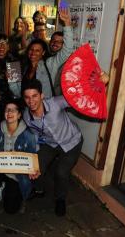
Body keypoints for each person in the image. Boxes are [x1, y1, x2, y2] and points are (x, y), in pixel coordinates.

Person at [22, 79, 83, 216]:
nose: (31, 101)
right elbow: (36, 137)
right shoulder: (26, 116)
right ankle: (39, 190)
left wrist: (100, 82)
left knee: (61, 173)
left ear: (42, 95)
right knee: (36, 167)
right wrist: (35, 158)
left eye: (35, 96)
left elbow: (77, 95)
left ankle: (60, 199)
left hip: (72, 141)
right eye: (27, 97)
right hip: (50, 144)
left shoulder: (55, 103)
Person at [0, 100, 37, 214]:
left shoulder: (29, 135)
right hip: (0, 168)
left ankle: (12, 191)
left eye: (13, 110)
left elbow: (32, 158)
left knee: (11, 209)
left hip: (16, 175)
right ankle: (1, 185)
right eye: (7, 110)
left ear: (19, 114)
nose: (9, 112)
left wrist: (33, 171)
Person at [22, 8, 73, 98]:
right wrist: (12, 80)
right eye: (31, 49)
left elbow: (67, 50)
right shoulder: (25, 66)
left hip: (46, 108)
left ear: (43, 52)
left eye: (37, 50)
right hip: (28, 107)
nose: (33, 53)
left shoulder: (50, 63)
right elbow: (17, 91)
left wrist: (67, 24)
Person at [0, 34, 23, 122]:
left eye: (5, 43)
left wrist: (11, 81)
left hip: (7, 106)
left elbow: (17, 93)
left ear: (8, 47)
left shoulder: (13, 62)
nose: (2, 46)